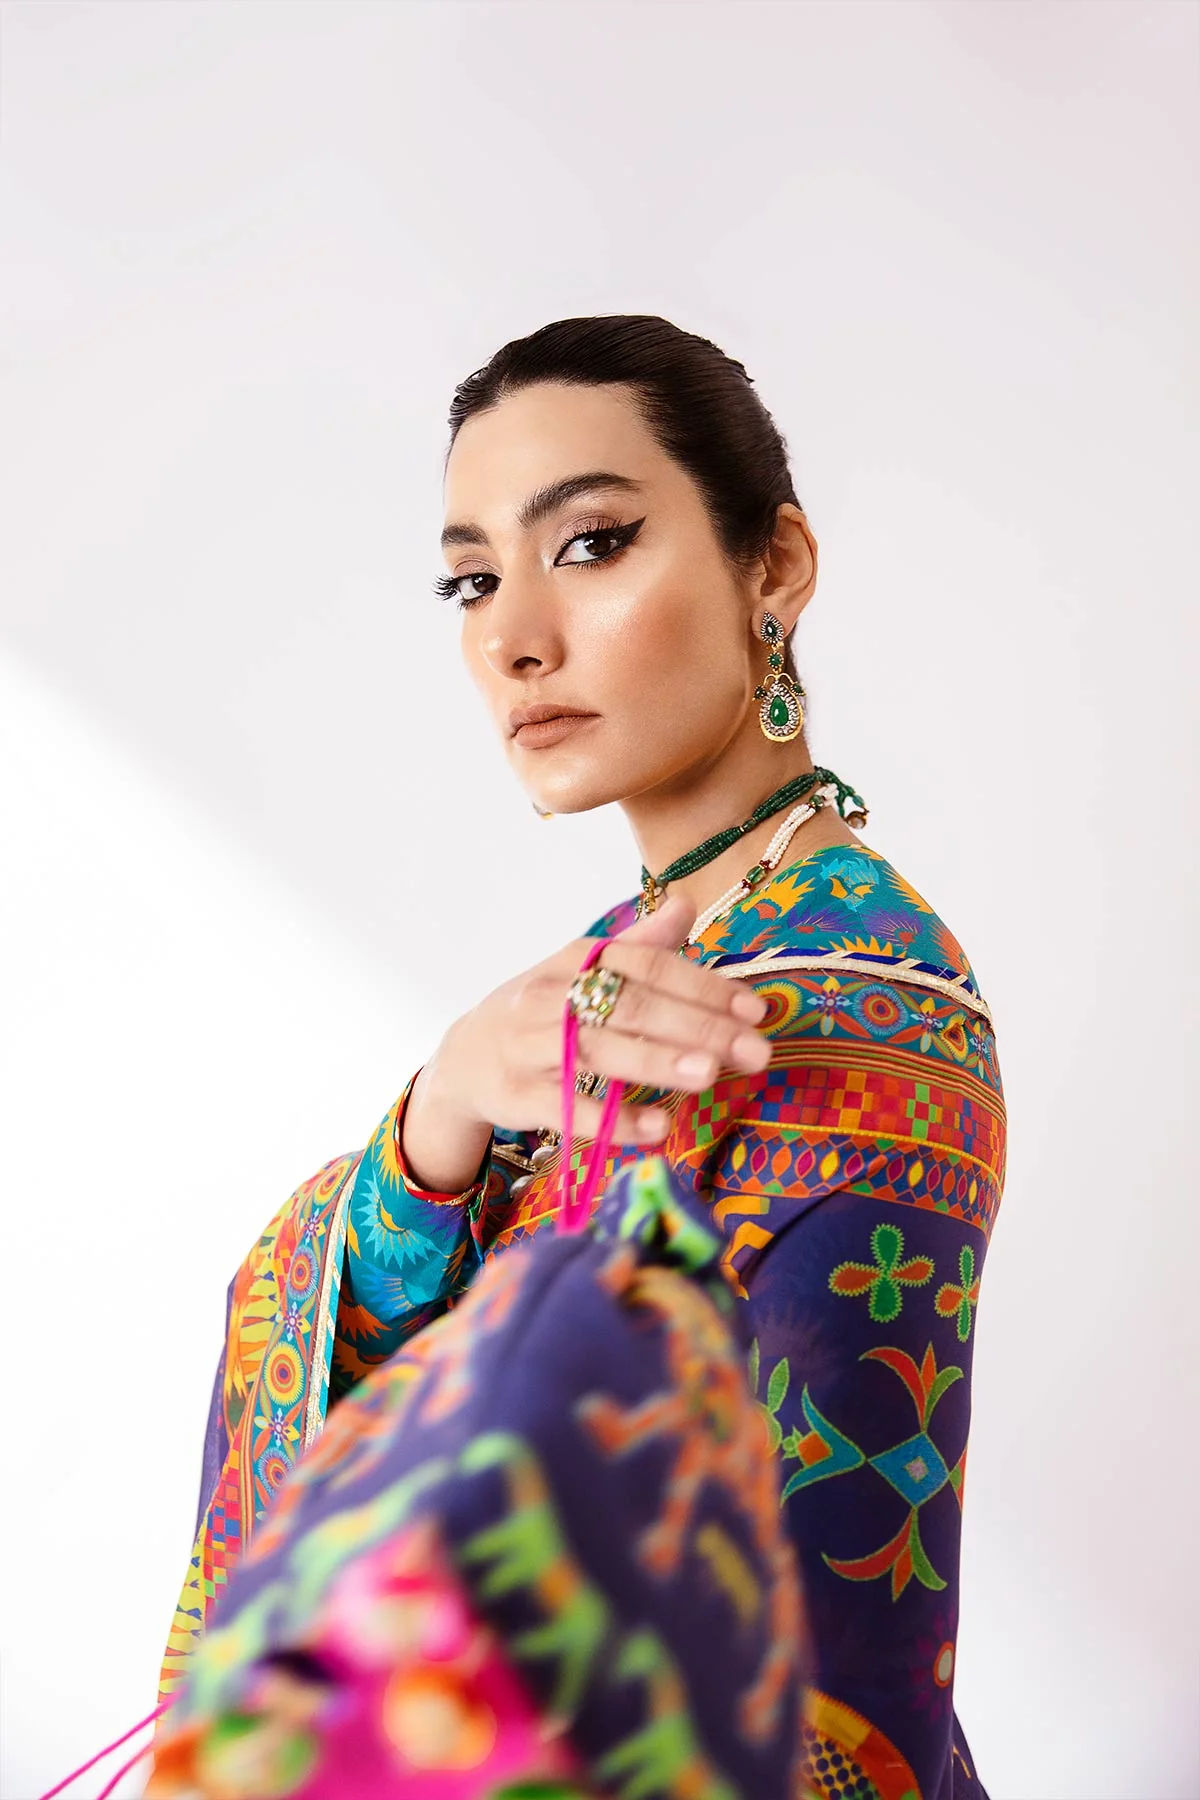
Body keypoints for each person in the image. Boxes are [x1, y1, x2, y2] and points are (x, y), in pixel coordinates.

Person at [159, 315, 1005, 1800]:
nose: (512, 637)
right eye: (473, 579)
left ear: (774, 566)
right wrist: (439, 1117)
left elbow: (834, 1670)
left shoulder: (863, 1007)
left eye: (594, 543)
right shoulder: (612, 972)